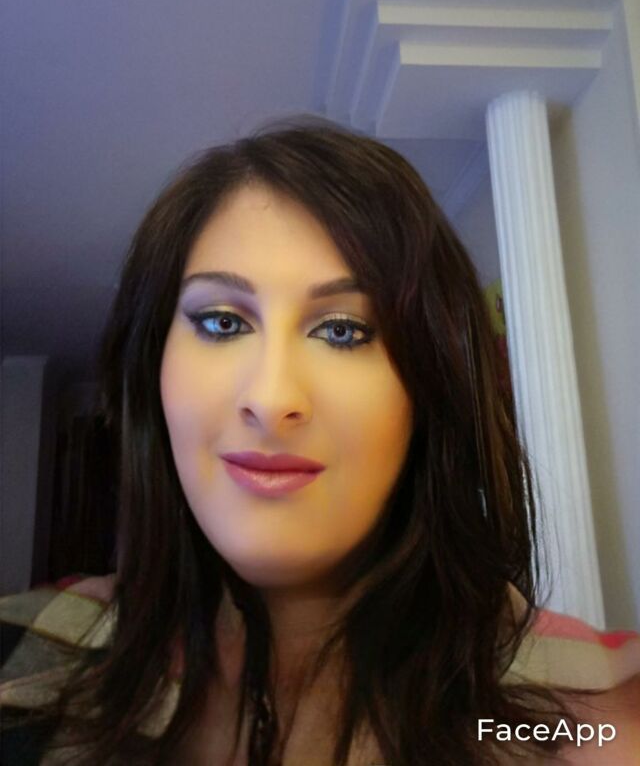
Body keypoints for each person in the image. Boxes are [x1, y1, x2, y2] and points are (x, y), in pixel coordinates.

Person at [1, 120, 638, 765]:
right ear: (152, 368)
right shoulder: (22, 657)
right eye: (221, 322)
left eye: (341, 331)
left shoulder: (598, 716)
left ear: (430, 388)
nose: (271, 398)